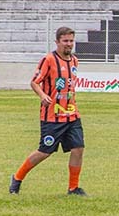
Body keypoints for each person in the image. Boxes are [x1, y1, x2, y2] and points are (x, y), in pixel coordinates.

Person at [8, 26, 87, 196]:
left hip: (72, 114)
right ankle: (17, 177)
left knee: (78, 148)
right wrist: (43, 95)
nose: (69, 44)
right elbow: (34, 82)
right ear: (57, 42)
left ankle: (73, 188)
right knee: (45, 151)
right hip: (52, 116)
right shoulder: (49, 60)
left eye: (71, 41)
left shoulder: (74, 60)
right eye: (65, 41)